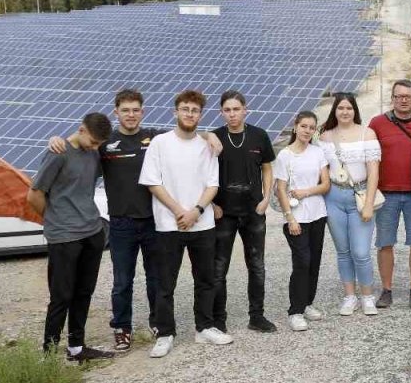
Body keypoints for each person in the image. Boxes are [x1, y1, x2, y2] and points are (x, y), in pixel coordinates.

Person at [47, 89, 221, 352]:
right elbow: (80, 145)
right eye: (125, 110)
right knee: (122, 280)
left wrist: (211, 135)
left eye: (136, 110)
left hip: (153, 221)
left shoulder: (155, 138)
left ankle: (157, 323)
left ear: (143, 112)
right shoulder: (105, 143)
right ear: (116, 112)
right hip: (121, 222)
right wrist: (58, 139)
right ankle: (122, 327)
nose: (131, 115)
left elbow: (187, 130)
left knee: (156, 278)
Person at [139, 90, 230, 358]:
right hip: (169, 225)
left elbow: (213, 183)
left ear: (200, 115)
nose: (190, 114)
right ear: (175, 112)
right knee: (165, 283)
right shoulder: (159, 143)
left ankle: (204, 327)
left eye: (195, 110)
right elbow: (153, 182)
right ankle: (165, 333)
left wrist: (197, 210)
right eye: (185, 109)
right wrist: (180, 211)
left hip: (202, 225)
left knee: (205, 279)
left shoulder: (207, 145)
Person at [27, 112, 115, 362]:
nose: (96, 148)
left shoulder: (93, 151)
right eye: (94, 142)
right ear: (81, 130)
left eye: (99, 144)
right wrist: (56, 219)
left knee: (83, 292)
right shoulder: (58, 153)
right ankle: (49, 355)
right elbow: (34, 195)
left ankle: (77, 348)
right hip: (64, 237)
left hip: (92, 232)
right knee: (61, 296)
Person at [211, 90, 277, 334]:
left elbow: (268, 168)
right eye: (227, 110)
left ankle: (257, 316)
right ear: (221, 112)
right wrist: (212, 205)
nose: (232, 114)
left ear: (245, 110)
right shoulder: (215, 138)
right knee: (219, 268)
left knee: (257, 265)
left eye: (236, 109)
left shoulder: (259, 136)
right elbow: (203, 172)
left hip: (253, 211)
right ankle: (219, 320)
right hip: (223, 213)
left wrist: (266, 198)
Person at [368, 80, 411, 309]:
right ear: (392, 98)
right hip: (385, 194)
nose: (403, 100)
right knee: (384, 243)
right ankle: (386, 289)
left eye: (407, 96)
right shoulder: (377, 124)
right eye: (399, 96)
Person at [320, 92, 382, 316]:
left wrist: (369, 204)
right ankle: (349, 296)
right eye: (340, 108)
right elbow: (322, 170)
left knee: (361, 251)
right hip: (334, 197)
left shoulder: (367, 133)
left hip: (361, 195)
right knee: (343, 251)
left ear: (355, 110)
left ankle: (367, 296)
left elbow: (374, 172)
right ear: (334, 111)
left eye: (348, 108)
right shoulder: (325, 137)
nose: (344, 112)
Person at [274, 111, 331, 331]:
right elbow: (280, 189)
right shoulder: (285, 156)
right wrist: (290, 218)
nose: (307, 131)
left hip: (318, 214)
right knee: (302, 262)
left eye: (311, 128)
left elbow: (325, 184)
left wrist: (306, 192)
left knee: (314, 261)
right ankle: (295, 311)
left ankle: (307, 303)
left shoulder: (318, 153)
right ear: (295, 127)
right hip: (297, 218)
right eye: (304, 126)